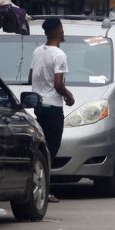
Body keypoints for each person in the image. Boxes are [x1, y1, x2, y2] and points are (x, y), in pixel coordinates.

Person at [29, 18, 76, 204]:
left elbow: (31, 77)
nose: (64, 32)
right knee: (51, 150)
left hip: (39, 106)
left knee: (42, 148)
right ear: (57, 30)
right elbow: (58, 84)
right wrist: (68, 95)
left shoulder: (37, 51)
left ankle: (38, 187)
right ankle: (45, 190)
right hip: (54, 108)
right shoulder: (59, 55)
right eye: (62, 29)